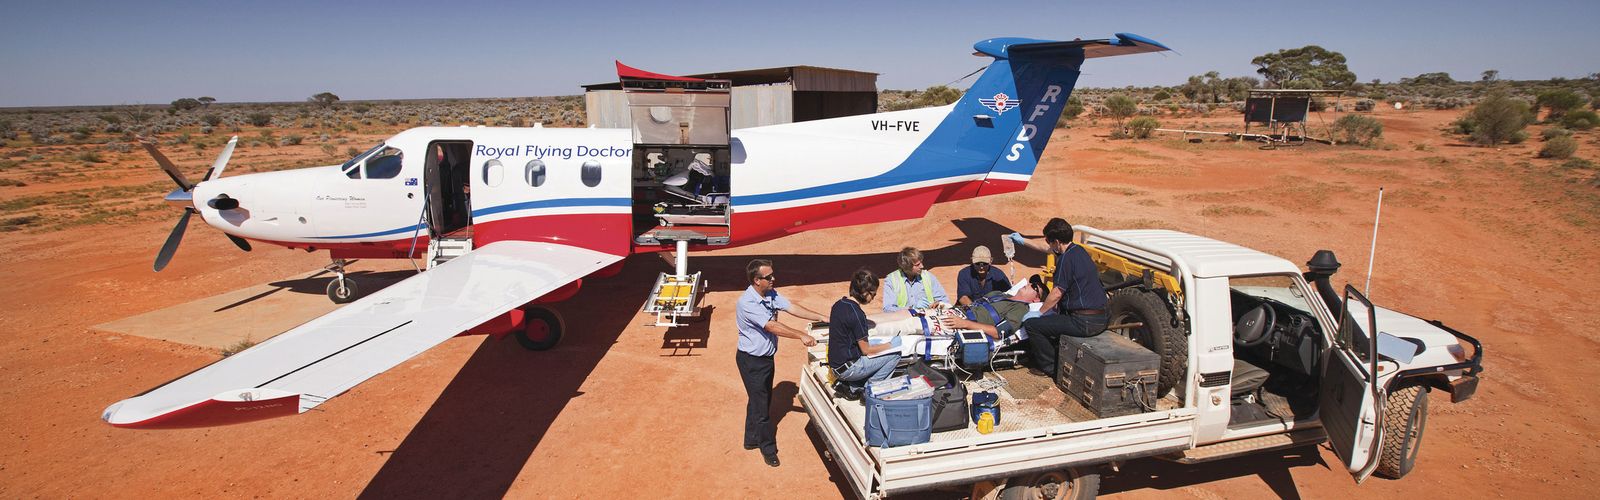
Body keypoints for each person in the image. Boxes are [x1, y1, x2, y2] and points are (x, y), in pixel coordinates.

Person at [734, 258, 824, 467]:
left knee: (759, 400)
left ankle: (751, 439)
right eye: (769, 277)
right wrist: (801, 335)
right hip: (752, 362)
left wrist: (821, 317)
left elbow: (792, 308)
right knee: (762, 407)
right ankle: (768, 449)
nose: (773, 278)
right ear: (757, 280)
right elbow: (771, 326)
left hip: (765, 359)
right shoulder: (747, 303)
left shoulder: (769, 293)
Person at [1010, 218, 1109, 378]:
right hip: (1102, 318)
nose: (1049, 246)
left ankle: (1050, 367)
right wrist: (1023, 241)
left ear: (1056, 242)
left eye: (1049, 242)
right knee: (1053, 319)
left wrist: (1040, 312)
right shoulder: (1079, 250)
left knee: (1033, 325)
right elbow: (1047, 248)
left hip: (1084, 322)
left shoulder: (1065, 260)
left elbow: (1057, 292)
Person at [828, 269, 900, 399]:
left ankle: (853, 387)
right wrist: (890, 345)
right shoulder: (857, 314)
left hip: (835, 366)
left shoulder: (838, 305)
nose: (873, 298)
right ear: (865, 292)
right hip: (849, 369)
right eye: (873, 294)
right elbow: (866, 350)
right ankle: (869, 390)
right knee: (895, 356)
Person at [941, 275, 1046, 340]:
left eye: (1034, 287)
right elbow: (973, 306)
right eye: (1031, 282)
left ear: (1036, 300)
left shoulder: (1020, 309)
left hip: (962, 323)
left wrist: (964, 323)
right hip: (955, 313)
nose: (1029, 284)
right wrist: (946, 306)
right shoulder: (999, 294)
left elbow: (998, 333)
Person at [881, 247, 949, 313]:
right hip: (904, 319)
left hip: (928, 317)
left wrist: (938, 304)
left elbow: (945, 301)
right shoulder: (892, 280)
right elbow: (888, 309)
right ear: (907, 267)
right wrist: (911, 309)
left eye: (921, 262)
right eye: (917, 265)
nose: (922, 266)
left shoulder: (928, 277)